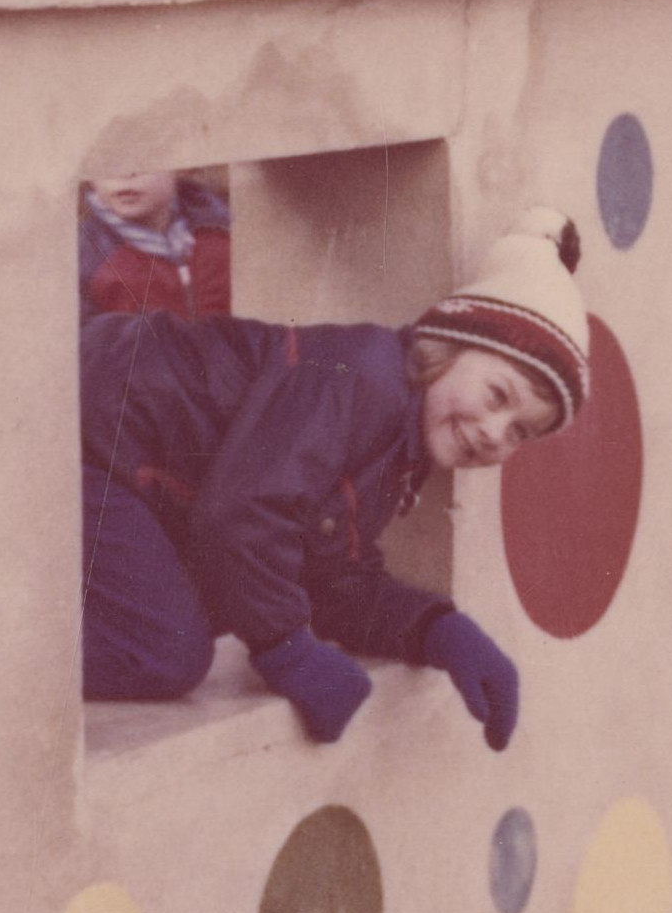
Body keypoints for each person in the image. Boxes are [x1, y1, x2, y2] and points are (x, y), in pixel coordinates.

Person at [78, 220, 579, 740]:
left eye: (521, 431)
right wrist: (286, 650)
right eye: (498, 395)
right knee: (166, 649)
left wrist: (436, 631)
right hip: (91, 430)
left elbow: (334, 578)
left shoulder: (397, 450)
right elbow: (242, 512)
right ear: (447, 350)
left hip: (126, 467)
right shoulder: (364, 378)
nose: (496, 432)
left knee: (193, 615)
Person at [76, 163, 233, 325]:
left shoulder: (225, 232)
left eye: (143, 157)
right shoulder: (81, 259)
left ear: (179, 166)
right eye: (108, 160)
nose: (126, 174)